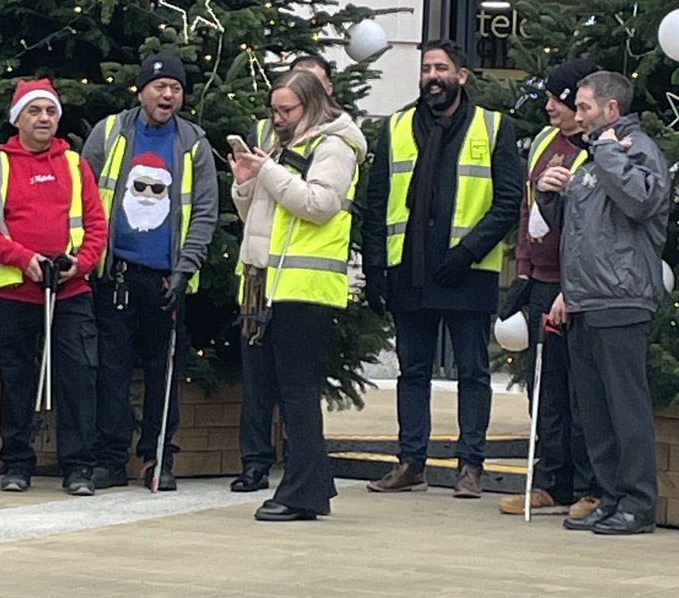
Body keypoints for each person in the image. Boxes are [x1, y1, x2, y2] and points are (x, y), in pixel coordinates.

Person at [363, 39, 522, 499]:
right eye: (427, 68)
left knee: (472, 371)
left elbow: (508, 201)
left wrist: (467, 252)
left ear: (462, 75)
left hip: (466, 272)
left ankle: (469, 465)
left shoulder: (493, 128)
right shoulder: (395, 128)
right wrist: (375, 267)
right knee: (412, 372)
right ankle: (410, 462)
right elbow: (377, 203)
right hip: (408, 268)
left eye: (441, 68)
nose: (432, 76)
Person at [536, 70, 670, 536]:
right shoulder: (593, 159)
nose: (577, 114)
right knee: (595, 409)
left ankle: (637, 501)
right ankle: (610, 497)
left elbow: (642, 201)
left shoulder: (633, 149)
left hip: (622, 296)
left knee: (624, 407)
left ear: (611, 109)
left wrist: (610, 151)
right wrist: (551, 195)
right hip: (587, 299)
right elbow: (581, 229)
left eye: (586, 107)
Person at [230, 69, 367, 520]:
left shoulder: (334, 146)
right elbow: (258, 214)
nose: (278, 118)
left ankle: (301, 492)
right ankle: (315, 481)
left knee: (297, 392)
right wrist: (246, 181)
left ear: (310, 105)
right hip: (270, 280)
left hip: (304, 284)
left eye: (286, 110)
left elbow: (318, 205)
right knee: (280, 388)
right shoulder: (284, 145)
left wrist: (267, 170)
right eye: (274, 111)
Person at [82, 51, 217, 492]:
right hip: (115, 274)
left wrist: (185, 269)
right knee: (112, 370)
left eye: (175, 88)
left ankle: (158, 458)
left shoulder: (193, 142)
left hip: (165, 279)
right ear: (142, 90)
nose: (167, 94)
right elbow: (83, 199)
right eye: (159, 86)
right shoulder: (110, 133)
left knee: (165, 371)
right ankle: (108, 458)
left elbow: (205, 214)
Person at [0, 79, 107, 496]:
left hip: (69, 291)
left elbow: (97, 224)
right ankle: (16, 464)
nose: (44, 118)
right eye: (34, 111)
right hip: (13, 292)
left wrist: (78, 264)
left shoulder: (75, 164)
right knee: (16, 381)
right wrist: (22, 259)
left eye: (50, 111)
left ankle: (79, 467)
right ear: (18, 118)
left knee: (78, 379)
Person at [498, 59, 600, 520]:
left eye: (557, 99)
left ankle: (587, 485)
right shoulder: (543, 142)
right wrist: (523, 268)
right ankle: (551, 480)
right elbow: (528, 209)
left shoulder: (596, 152)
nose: (549, 107)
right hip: (539, 279)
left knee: (579, 391)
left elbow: (588, 229)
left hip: (571, 284)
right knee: (547, 391)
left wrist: (569, 285)